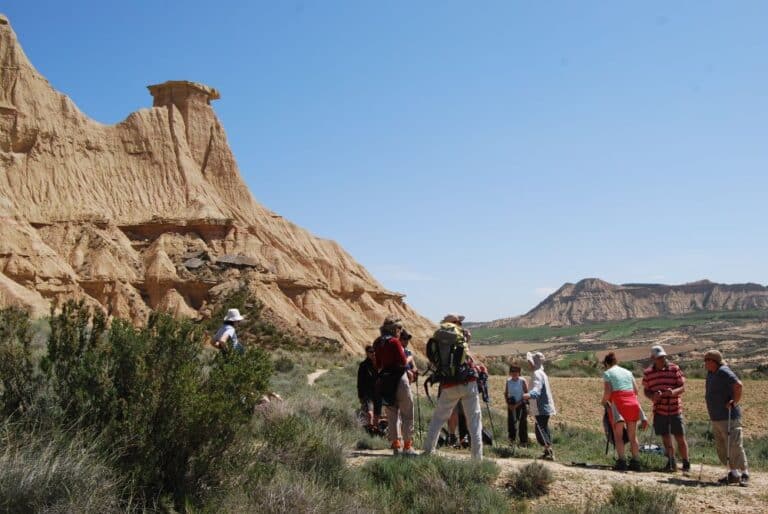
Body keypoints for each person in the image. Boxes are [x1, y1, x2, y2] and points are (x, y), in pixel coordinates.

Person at [423, 314, 485, 460]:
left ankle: (428, 451)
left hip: (448, 384)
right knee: (474, 421)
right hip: (467, 383)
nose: (461, 325)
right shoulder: (460, 337)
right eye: (459, 322)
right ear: (455, 323)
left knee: (438, 418)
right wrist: (467, 341)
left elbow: (433, 362)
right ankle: (477, 459)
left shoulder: (438, 338)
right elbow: (468, 359)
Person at [703, 350, 750, 486]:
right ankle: (733, 474)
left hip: (728, 416)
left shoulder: (723, 371)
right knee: (723, 447)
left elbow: (738, 385)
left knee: (734, 445)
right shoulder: (711, 373)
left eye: (707, 360)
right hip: (716, 417)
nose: (705, 363)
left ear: (714, 361)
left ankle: (745, 473)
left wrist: (734, 401)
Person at [642, 345, 690, 472]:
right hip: (659, 410)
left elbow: (682, 387)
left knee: (680, 437)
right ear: (653, 358)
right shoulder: (648, 373)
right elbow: (646, 390)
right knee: (666, 437)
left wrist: (672, 392)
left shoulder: (674, 369)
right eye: (659, 358)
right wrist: (653, 396)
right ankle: (671, 462)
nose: (662, 359)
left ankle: (686, 463)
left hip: (675, 409)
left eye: (663, 357)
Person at [373, 316, 416, 455]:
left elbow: (378, 364)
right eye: (399, 328)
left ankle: (396, 445)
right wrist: (410, 358)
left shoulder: (378, 342)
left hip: (386, 380)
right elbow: (403, 362)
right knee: (407, 413)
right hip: (399, 379)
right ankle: (407, 446)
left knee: (391, 414)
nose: (400, 331)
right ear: (393, 329)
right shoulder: (394, 342)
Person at [602, 352, 643, 471]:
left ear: (606, 363)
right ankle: (636, 461)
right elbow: (636, 390)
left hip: (618, 403)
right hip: (632, 402)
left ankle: (622, 461)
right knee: (632, 436)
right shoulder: (628, 372)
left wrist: (603, 402)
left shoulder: (608, 373)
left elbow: (608, 392)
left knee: (618, 435)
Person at [523, 352, 556, 460]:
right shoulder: (541, 373)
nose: (528, 363)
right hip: (542, 405)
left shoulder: (537, 374)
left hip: (540, 406)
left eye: (530, 362)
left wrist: (526, 396)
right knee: (543, 428)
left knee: (540, 429)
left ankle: (549, 452)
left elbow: (537, 390)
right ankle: (548, 451)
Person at [357, 345, 381, 432]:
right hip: (367, 393)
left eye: (374, 351)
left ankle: (374, 431)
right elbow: (359, 381)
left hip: (378, 393)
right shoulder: (363, 365)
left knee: (377, 415)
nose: (373, 353)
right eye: (371, 352)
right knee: (370, 413)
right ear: (367, 353)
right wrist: (360, 395)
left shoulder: (379, 364)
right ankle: (369, 429)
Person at [504, 364, 529, 447]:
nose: (514, 373)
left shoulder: (522, 381)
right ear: (510, 372)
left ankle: (523, 443)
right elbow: (506, 393)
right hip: (511, 405)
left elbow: (527, 394)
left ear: (519, 372)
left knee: (522, 424)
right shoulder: (508, 381)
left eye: (516, 371)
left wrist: (518, 404)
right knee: (511, 424)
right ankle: (511, 442)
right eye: (512, 371)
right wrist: (508, 404)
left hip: (521, 405)